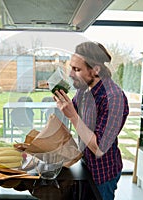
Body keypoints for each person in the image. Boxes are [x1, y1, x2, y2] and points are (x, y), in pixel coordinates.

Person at [53, 41, 129, 200]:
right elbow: (69, 111)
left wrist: (73, 116)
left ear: (95, 70)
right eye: (71, 68)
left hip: (103, 175)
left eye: (77, 69)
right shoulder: (84, 90)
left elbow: (99, 148)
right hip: (85, 164)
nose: (71, 74)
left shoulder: (114, 98)